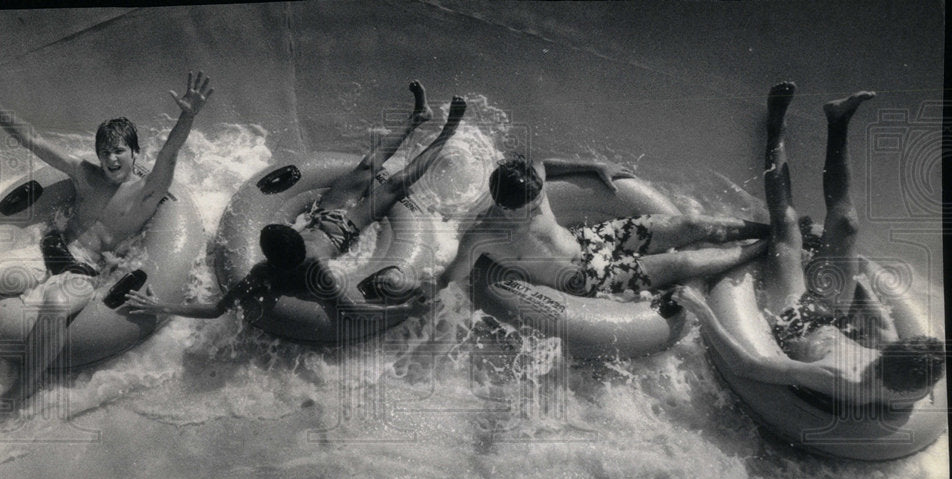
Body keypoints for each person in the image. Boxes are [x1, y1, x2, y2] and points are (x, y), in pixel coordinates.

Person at [0, 68, 214, 424]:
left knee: (56, 302)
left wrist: (188, 114)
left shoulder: (147, 193)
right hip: (46, 251)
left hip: (85, 269)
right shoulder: (85, 175)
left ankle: (20, 392)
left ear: (135, 152)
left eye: (119, 151)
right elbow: (34, 141)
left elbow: (170, 153)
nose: (111, 160)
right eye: (105, 152)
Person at [673, 82, 944, 405]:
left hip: (793, 319)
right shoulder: (893, 354)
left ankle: (776, 129)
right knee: (846, 225)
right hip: (833, 314)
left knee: (786, 224)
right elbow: (881, 320)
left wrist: (703, 311)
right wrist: (850, 268)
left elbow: (746, 365)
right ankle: (838, 121)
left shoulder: (842, 380)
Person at [123, 84, 466, 320]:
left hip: (323, 215)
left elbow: (216, 309)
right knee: (397, 182)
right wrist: (406, 310)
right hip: (343, 231)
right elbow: (354, 311)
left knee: (367, 165)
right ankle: (445, 133)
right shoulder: (316, 269)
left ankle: (417, 118)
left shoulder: (261, 271)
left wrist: (162, 307)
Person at [438, 153, 769, 296]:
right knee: (683, 262)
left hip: (590, 239)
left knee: (692, 223)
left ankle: (771, 229)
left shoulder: (530, 184)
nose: (541, 204)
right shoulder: (483, 236)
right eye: (532, 205)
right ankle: (765, 248)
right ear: (505, 208)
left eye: (541, 199)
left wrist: (596, 166)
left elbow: (541, 164)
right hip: (585, 279)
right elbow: (449, 279)